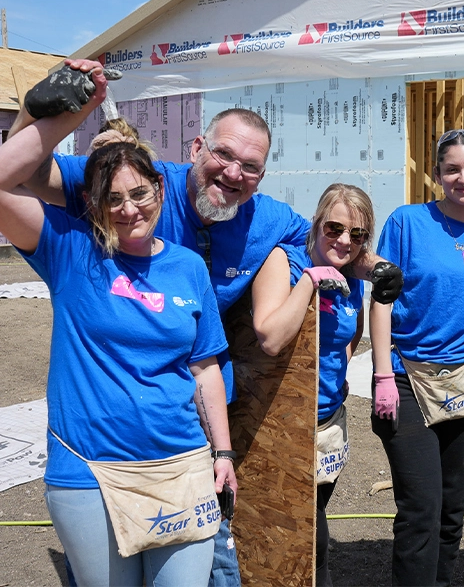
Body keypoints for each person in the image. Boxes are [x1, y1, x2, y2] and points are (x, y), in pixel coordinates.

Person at [12, 58, 403, 587]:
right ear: (196, 149)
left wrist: (373, 268)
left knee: (218, 561)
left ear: (262, 177)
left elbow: (334, 247)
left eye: (250, 167)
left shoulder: (264, 222)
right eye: (223, 154)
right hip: (100, 444)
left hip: (194, 431)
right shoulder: (137, 184)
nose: (233, 173)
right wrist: (47, 112)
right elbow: (23, 176)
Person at [0, 69, 237, 586]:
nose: (129, 209)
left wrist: (222, 452)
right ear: (92, 203)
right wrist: (66, 117)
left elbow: (204, 366)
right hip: (88, 471)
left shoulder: (187, 266)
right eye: (111, 198)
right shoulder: (68, 249)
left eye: (139, 194)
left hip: (181, 465)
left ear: (159, 187)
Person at [371, 128, 464, 586]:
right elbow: (382, 298)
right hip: (406, 378)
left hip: (463, 381)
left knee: (451, 508)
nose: (463, 177)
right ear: (437, 175)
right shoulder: (408, 222)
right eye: (452, 169)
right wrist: (383, 375)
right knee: (420, 507)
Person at [251, 183, 373, 586]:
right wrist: (309, 281)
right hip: (282, 425)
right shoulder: (283, 262)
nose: (343, 241)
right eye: (334, 228)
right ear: (317, 222)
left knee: (312, 527)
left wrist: (334, 376)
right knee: (290, 535)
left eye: (356, 235)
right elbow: (269, 337)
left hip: (327, 421)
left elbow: (349, 335)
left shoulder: (350, 275)